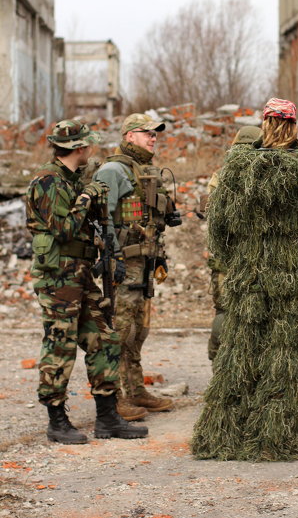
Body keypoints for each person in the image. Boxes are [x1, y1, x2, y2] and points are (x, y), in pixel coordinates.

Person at [192, 98, 298, 461]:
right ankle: (272, 442)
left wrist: (240, 264)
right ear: (295, 126)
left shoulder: (238, 170)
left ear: (264, 124)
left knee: (239, 355)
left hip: (249, 280)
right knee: (287, 360)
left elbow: (218, 233)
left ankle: (223, 439)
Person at [26, 120, 148, 444]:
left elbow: (87, 228)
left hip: (80, 274)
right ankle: (56, 419)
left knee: (104, 338)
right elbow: (63, 230)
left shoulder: (72, 179)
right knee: (60, 345)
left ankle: (108, 418)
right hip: (58, 279)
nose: (91, 150)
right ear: (79, 148)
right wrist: (87, 196)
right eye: (88, 145)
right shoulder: (47, 180)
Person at [94, 113, 180, 420]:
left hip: (145, 263)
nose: (154, 137)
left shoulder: (146, 170)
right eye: (148, 133)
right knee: (118, 330)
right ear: (130, 136)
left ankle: (135, 391)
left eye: (156, 133)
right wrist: (113, 259)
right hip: (123, 264)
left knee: (138, 331)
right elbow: (100, 220)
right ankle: (112, 398)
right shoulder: (112, 170)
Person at [205, 125, 263, 362]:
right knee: (255, 315)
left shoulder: (220, 176)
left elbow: (211, 216)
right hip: (256, 260)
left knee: (223, 312)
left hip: (224, 259)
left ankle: (219, 364)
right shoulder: (266, 174)